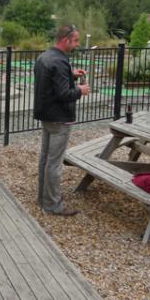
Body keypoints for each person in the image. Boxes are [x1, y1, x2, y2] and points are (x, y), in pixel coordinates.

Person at [34, 25, 90, 216]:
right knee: (54, 163)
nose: (77, 44)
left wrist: (71, 75)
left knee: (45, 158)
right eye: (75, 41)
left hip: (46, 115)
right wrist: (80, 91)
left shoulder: (44, 57)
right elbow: (64, 94)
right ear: (65, 40)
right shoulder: (60, 61)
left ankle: (42, 198)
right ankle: (53, 205)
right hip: (59, 118)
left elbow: (51, 83)